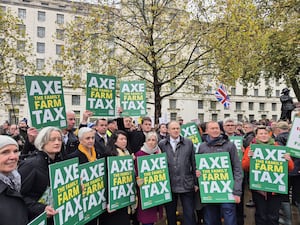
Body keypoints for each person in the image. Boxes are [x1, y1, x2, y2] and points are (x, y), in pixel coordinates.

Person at [242, 125, 294, 225]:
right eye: (260, 133)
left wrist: (288, 160)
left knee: (273, 215)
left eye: (265, 133)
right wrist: (250, 158)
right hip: (259, 189)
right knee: (260, 215)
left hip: (275, 189)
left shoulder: (278, 148)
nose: (263, 135)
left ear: (269, 135)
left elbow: (290, 168)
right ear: (256, 136)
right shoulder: (251, 148)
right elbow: (245, 167)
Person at [197, 121, 243, 225]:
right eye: (212, 128)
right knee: (211, 219)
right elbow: (199, 166)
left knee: (229, 219)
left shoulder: (230, 146)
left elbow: (237, 169)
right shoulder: (202, 147)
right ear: (207, 131)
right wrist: (198, 173)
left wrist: (237, 191)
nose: (215, 130)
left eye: (217, 128)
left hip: (227, 190)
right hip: (210, 191)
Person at [18, 127, 62, 224]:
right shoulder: (31, 165)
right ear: (42, 141)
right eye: (52, 139)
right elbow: (18, 196)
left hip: (55, 217)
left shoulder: (59, 162)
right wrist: (41, 209)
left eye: (59, 139)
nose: (57, 142)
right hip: (36, 219)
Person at [158, 121, 197, 225]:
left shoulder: (188, 142)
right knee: (170, 214)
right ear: (168, 130)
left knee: (189, 213)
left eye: (177, 128)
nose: (176, 130)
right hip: (169, 184)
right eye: (173, 129)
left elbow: (194, 162)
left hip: (186, 183)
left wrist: (196, 182)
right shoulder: (162, 144)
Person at [68, 127, 100, 225]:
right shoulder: (73, 157)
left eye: (92, 138)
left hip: (94, 200)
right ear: (80, 140)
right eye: (87, 138)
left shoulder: (97, 154)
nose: (91, 141)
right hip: (81, 202)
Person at [100, 130, 131, 225]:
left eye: (125, 139)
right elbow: (106, 179)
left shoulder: (126, 153)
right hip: (113, 197)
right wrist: (109, 200)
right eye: (121, 139)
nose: (124, 141)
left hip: (124, 194)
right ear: (114, 141)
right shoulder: (109, 155)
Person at [135, 132, 163, 225]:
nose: (151, 142)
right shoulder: (139, 154)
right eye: (149, 140)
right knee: (146, 219)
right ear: (145, 141)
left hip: (156, 190)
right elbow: (134, 173)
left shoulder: (159, 154)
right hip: (144, 192)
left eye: (153, 140)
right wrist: (137, 181)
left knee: (153, 218)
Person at [0, 135, 28, 225]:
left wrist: (41, 210)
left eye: (15, 151)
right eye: (5, 152)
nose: (13, 157)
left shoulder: (15, 179)